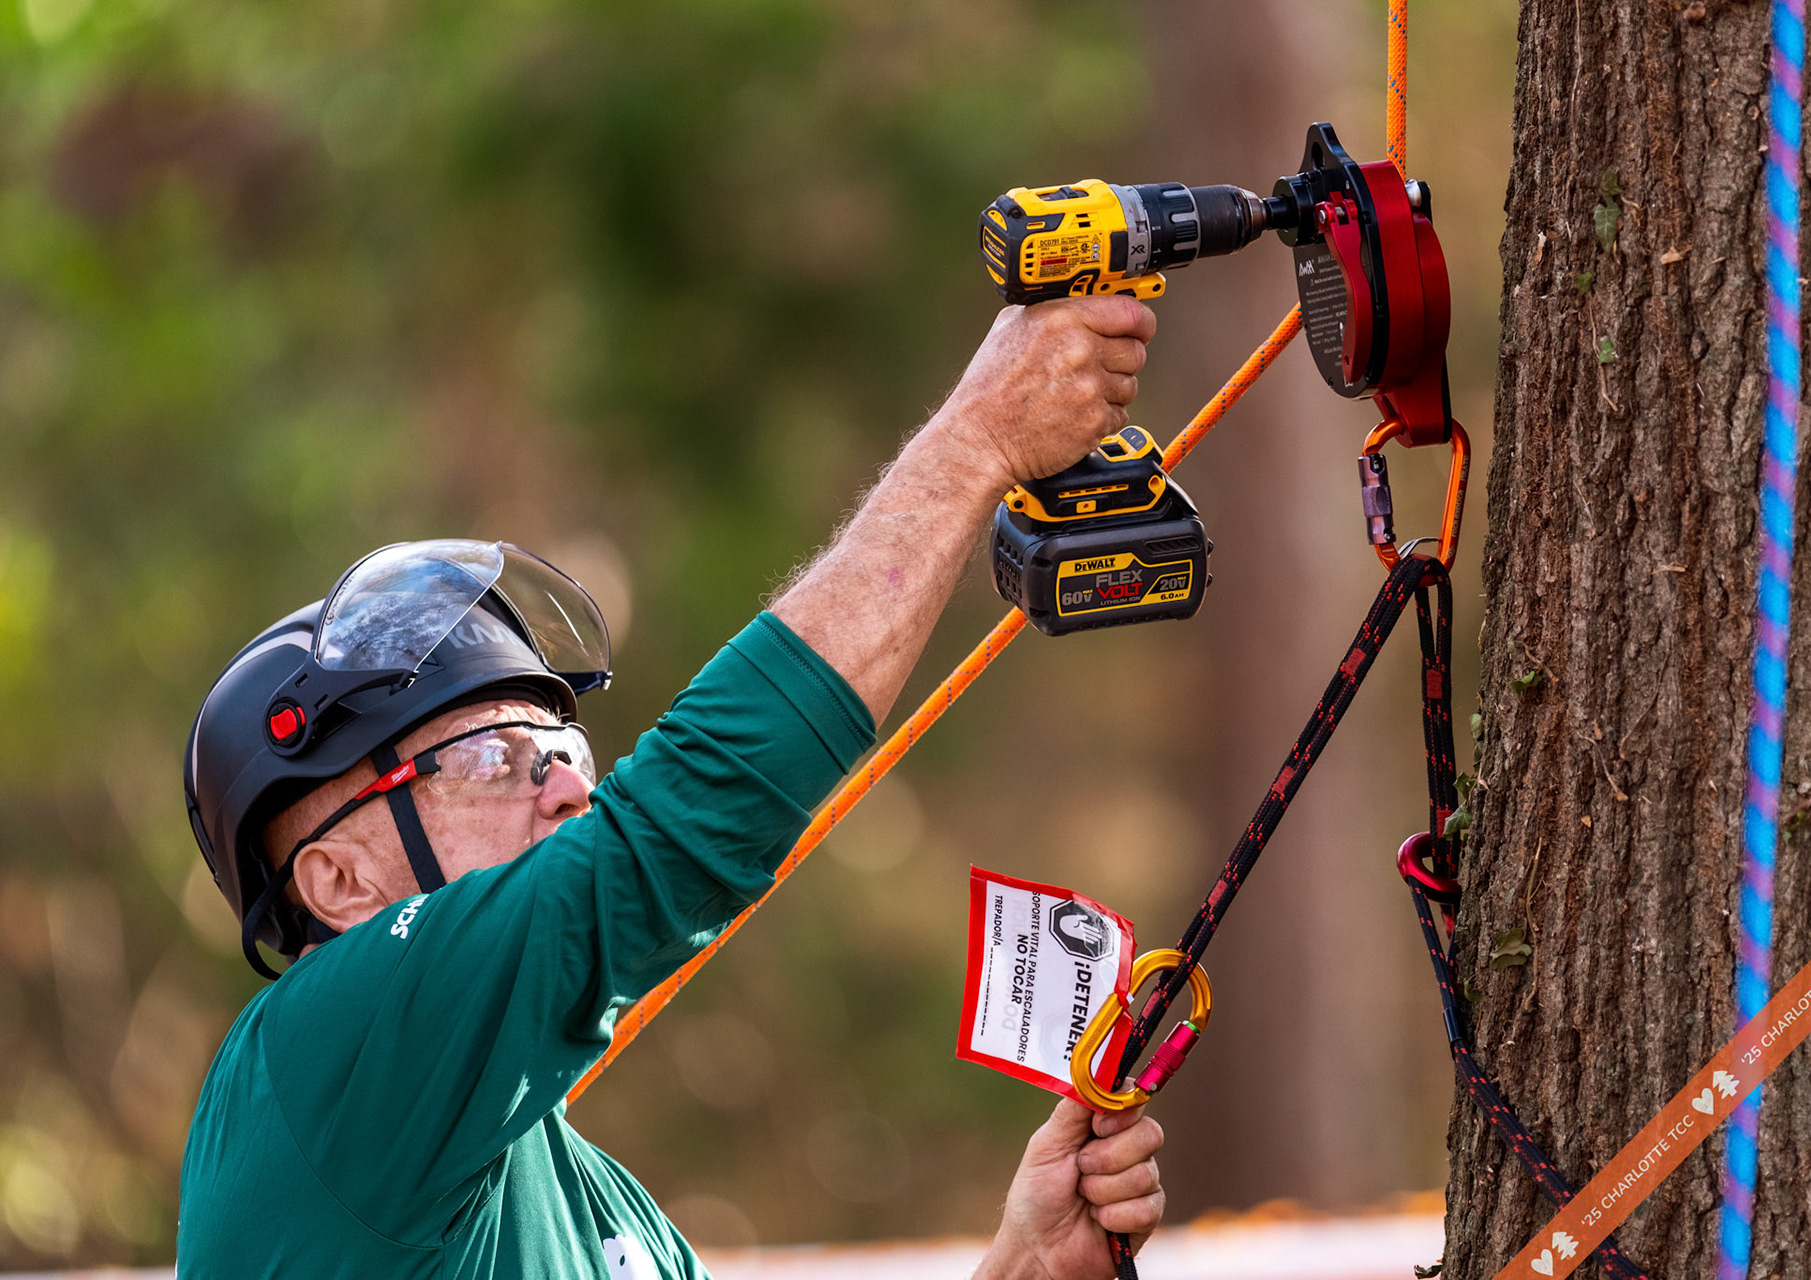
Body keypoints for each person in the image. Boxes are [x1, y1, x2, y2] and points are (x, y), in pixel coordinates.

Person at [180, 297, 1166, 1279]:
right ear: (339, 881)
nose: (567, 789)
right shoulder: (320, 1053)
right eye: (489, 758)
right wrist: (979, 436)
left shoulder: (607, 1209)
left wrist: (1024, 1265)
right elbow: (672, 823)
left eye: (561, 747)